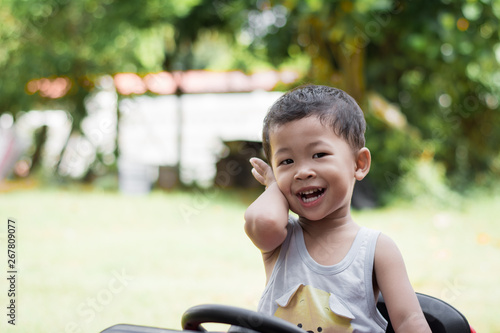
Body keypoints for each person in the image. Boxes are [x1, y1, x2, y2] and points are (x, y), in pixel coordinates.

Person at [244, 85, 431, 333]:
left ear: (359, 163)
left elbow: (410, 321)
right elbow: (263, 221)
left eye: (319, 154)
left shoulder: (376, 249)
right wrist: (273, 185)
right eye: (286, 161)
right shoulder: (281, 240)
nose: (302, 172)